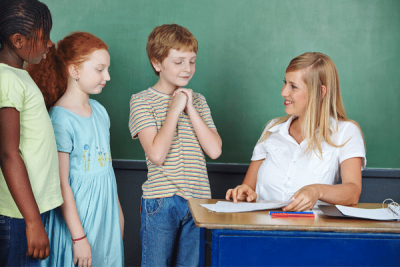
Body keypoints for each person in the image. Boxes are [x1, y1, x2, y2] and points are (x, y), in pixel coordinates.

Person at [28, 32, 124, 267]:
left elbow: (106, 169)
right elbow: (61, 183)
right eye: (100, 69)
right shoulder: (60, 119)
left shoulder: (100, 111)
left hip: (105, 217)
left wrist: (118, 214)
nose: (108, 77)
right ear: (75, 71)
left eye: (107, 69)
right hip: (77, 221)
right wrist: (79, 237)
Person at [129, 23, 222, 266]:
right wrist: (174, 110)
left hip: (199, 201)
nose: (187, 68)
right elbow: (157, 154)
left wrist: (189, 107)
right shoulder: (141, 101)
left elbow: (214, 150)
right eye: (179, 61)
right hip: (162, 200)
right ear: (157, 63)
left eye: (192, 61)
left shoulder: (198, 101)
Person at [226, 52, 366, 211]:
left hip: (311, 231)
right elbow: (248, 188)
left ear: (320, 92)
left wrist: (316, 190)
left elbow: (353, 192)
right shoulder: (272, 129)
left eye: (293, 86)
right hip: (262, 227)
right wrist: (244, 193)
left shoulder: (346, 132)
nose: (284, 92)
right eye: (285, 83)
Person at [0, 0, 63, 265]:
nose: (50, 43)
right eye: (44, 37)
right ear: (18, 40)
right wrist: (33, 221)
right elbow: (8, 154)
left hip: (27, 211)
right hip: (18, 215)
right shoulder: (7, 80)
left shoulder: (20, 75)